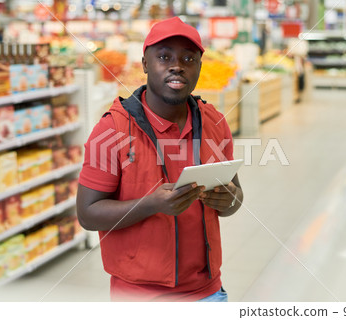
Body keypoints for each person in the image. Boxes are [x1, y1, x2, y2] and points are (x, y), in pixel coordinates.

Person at [77, 17, 243, 302]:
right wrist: (151, 204)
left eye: (188, 58)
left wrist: (229, 200)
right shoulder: (113, 129)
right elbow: (88, 214)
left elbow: (235, 199)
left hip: (208, 293)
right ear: (144, 64)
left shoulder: (215, 122)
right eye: (164, 56)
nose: (177, 65)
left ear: (199, 67)